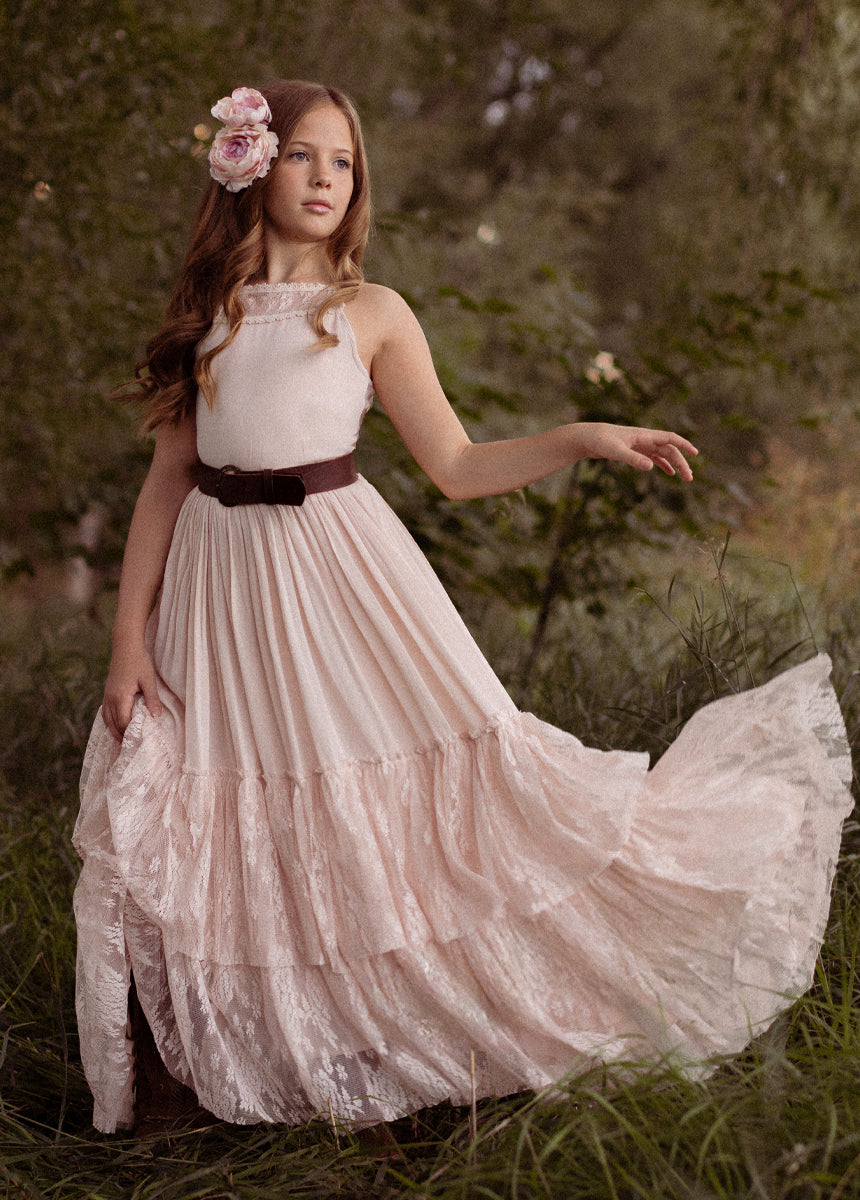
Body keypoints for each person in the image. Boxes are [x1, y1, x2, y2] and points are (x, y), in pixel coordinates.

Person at [73, 80, 853, 1136]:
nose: (324, 179)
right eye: (301, 155)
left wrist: (581, 437)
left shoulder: (370, 313)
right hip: (220, 598)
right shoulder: (209, 318)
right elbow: (168, 481)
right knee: (223, 798)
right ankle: (235, 1060)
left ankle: (410, 1036)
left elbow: (456, 464)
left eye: (343, 163)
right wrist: (128, 640)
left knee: (375, 793)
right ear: (249, 167)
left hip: (339, 585)